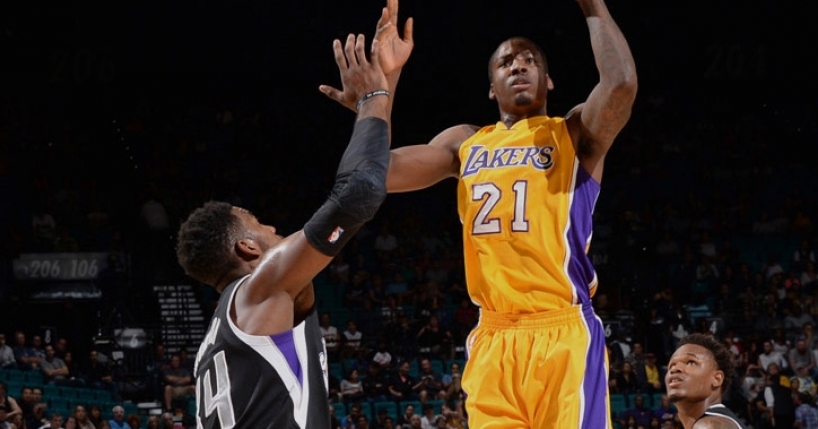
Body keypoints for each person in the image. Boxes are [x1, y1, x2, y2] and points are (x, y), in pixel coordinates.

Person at [320, 0, 636, 426]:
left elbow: (620, 85)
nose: (518, 65)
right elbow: (370, 175)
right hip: (492, 339)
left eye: (530, 60)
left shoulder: (573, 132)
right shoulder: (464, 143)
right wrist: (378, 92)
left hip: (562, 331)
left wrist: (594, 7)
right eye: (506, 62)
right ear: (491, 88)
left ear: (548, 80)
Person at [176, 33, 394, 428]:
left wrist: (381, 90)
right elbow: (361, 190)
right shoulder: (262, 287)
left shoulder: (223, 334)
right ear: (247, 248)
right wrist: (374, 94)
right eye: (259, 223)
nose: (274, 227)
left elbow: (370, 176)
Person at [665, 333, 746, 429]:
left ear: (717, 379)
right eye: (672, 364)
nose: (675, 369)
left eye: (691, 362)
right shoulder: (722, 421)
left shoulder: (708, 425)